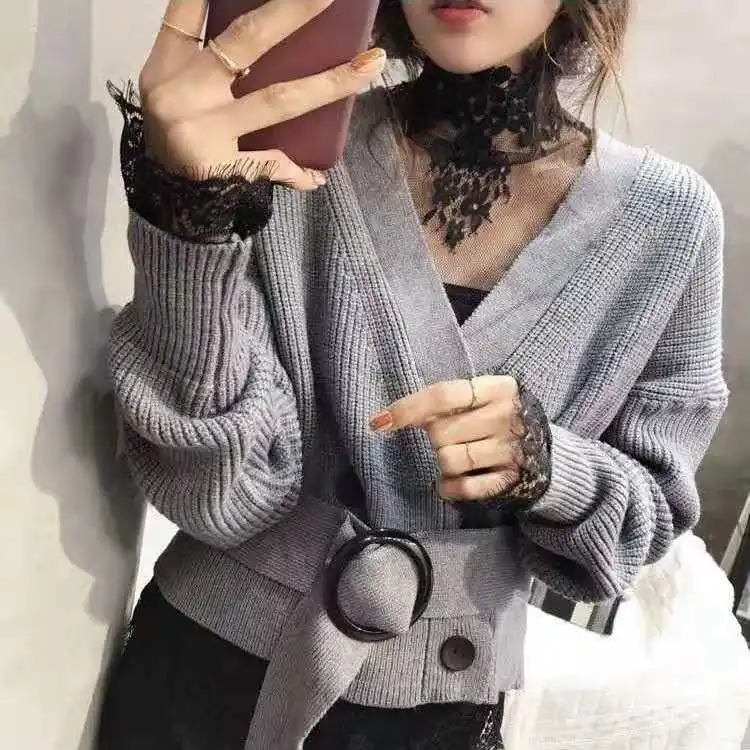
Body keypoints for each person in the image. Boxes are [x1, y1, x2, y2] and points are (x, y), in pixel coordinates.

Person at [97, 0, 729, 748]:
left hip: (439, 705)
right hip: (195, 674)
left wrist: (549, 467)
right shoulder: (284, 152)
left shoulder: (670, 221)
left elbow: (645, 520)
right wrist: (184, 218)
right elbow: (217, 492)